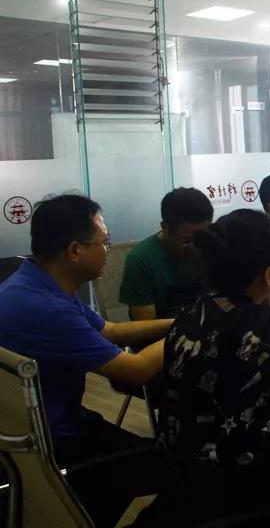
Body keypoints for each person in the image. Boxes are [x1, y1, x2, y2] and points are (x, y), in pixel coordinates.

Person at [148, 209, 270, 526]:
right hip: (239, 484)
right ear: (269, 275)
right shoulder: (265, 325)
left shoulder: (190, 315)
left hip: (182, 481)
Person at [0, 194, 172, 527]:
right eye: (104, 242)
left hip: (42, 428)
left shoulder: (35, 283)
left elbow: (110, 331)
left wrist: (177, 322)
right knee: (171, 469)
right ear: (75, 251)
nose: (108, 250)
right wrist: (197, 327)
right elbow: (135, 371)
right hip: (53, 443)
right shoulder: (47, 308)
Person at [119, 187, 214, 320]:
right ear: (165, 227)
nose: (196, 246)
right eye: (187, 240)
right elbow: (146, 325)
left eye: (201, 238)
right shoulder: (141, 260)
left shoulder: (210, 248)